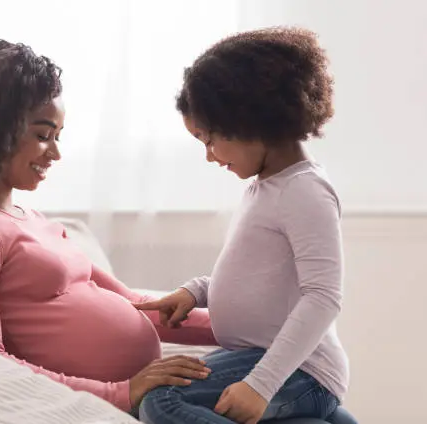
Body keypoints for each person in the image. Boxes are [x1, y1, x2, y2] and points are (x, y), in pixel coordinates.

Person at [0, 39, 218, 414]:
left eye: (58, 136)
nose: (55, 153)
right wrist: (123, 391)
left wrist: (241, 329)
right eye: (42, 135)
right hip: (127, 398)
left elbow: (138, 305)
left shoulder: (34, 220)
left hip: (157, 387)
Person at [135, 27, 351, 424]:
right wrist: (196, 291)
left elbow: (323, 296)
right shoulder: (267, 186)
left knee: (160, 401)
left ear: (250, 118)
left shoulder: (304, 191)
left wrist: (261, 384)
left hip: (300, 370)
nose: (210, 156)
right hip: (262, 358)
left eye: (209, 139)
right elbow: (257, 273)